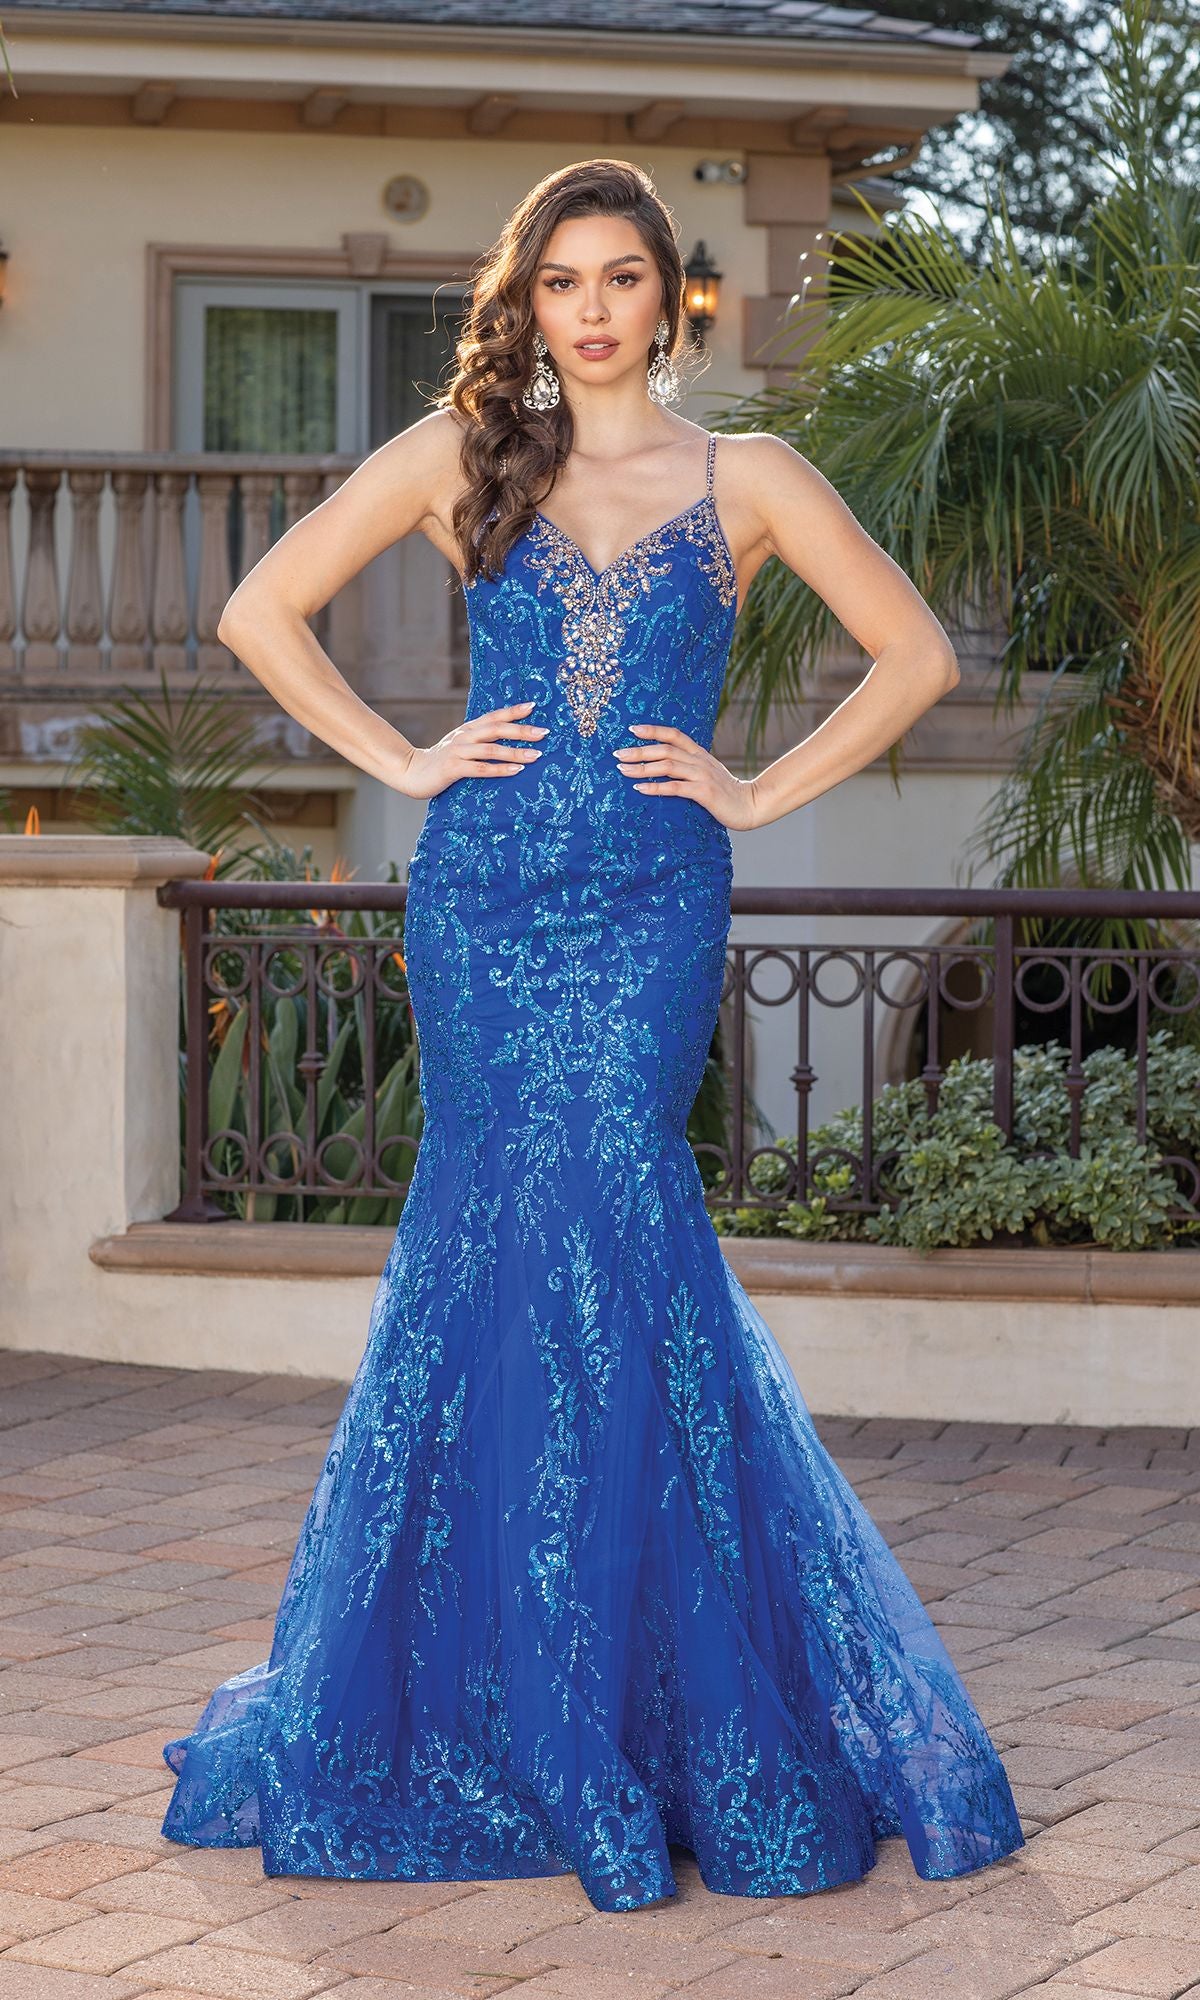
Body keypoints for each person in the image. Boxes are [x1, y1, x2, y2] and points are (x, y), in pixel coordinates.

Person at [160, 158, 1024, 1913]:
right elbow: (259, 609)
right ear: (530, 302)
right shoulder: (466, 459)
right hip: (484, 898)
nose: (596, 307)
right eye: (563, 282)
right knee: (496, 1248)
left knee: (618, 1221)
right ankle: (524, 1713)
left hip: (646, 904)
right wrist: (400, 761)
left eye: (625, 276)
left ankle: (641, 1703)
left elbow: (915, 654)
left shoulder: (750, 476)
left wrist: (756, 787)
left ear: (669, 297)